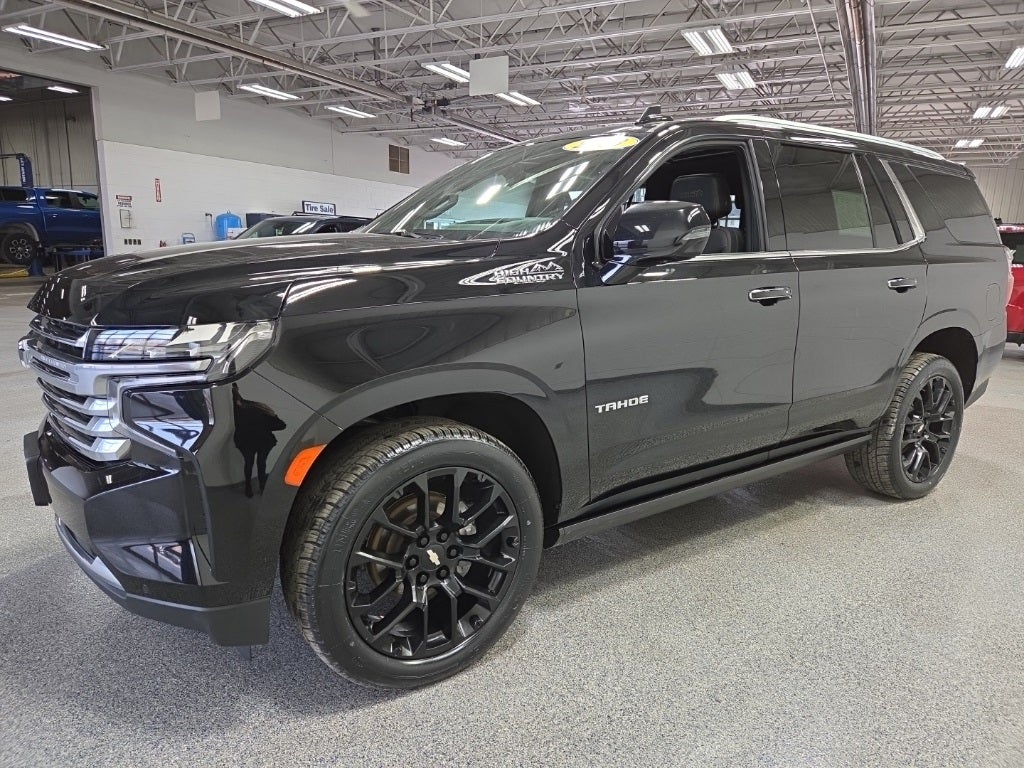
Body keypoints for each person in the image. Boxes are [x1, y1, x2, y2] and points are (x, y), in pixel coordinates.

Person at [232, 384, 286, 497]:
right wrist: (273, 415)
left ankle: (248, 487)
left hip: (246, 441)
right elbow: (281, 426)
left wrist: (235, 391)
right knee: (261, 463)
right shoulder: (264, 412)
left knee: (249, 463)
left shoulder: (240, 411)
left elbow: (237, 400)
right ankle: (262, 486)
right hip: (263, 441)